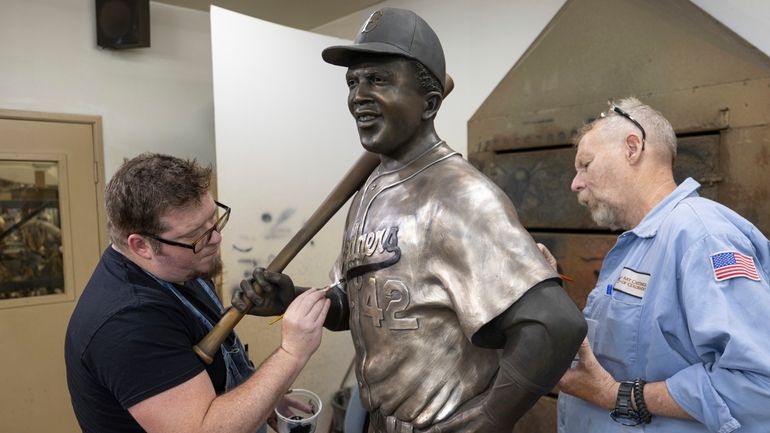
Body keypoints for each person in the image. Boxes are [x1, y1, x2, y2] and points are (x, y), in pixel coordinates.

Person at [232, 8, 586, 433]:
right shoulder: (369, 192)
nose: (358, 95)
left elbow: (555, 325)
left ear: (430, 103)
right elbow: (361, 306)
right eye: (353, 82)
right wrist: (292, 298)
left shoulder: (460, 195)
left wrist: (488, 419)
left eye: (378, 80)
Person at [65, 153, 331, 433]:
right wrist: (291, 353)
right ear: (141, 246)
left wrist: (264, 400)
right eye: (196, 235)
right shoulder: (127, 324)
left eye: (213, 220)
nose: (216, 238)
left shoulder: (178, 265)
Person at [557, 97, 770, 432]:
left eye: (586, 164)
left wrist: (618, 396)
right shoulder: (636, 245)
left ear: (632, 147)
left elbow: (759, 387)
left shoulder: (702, 236)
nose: (576, 183)